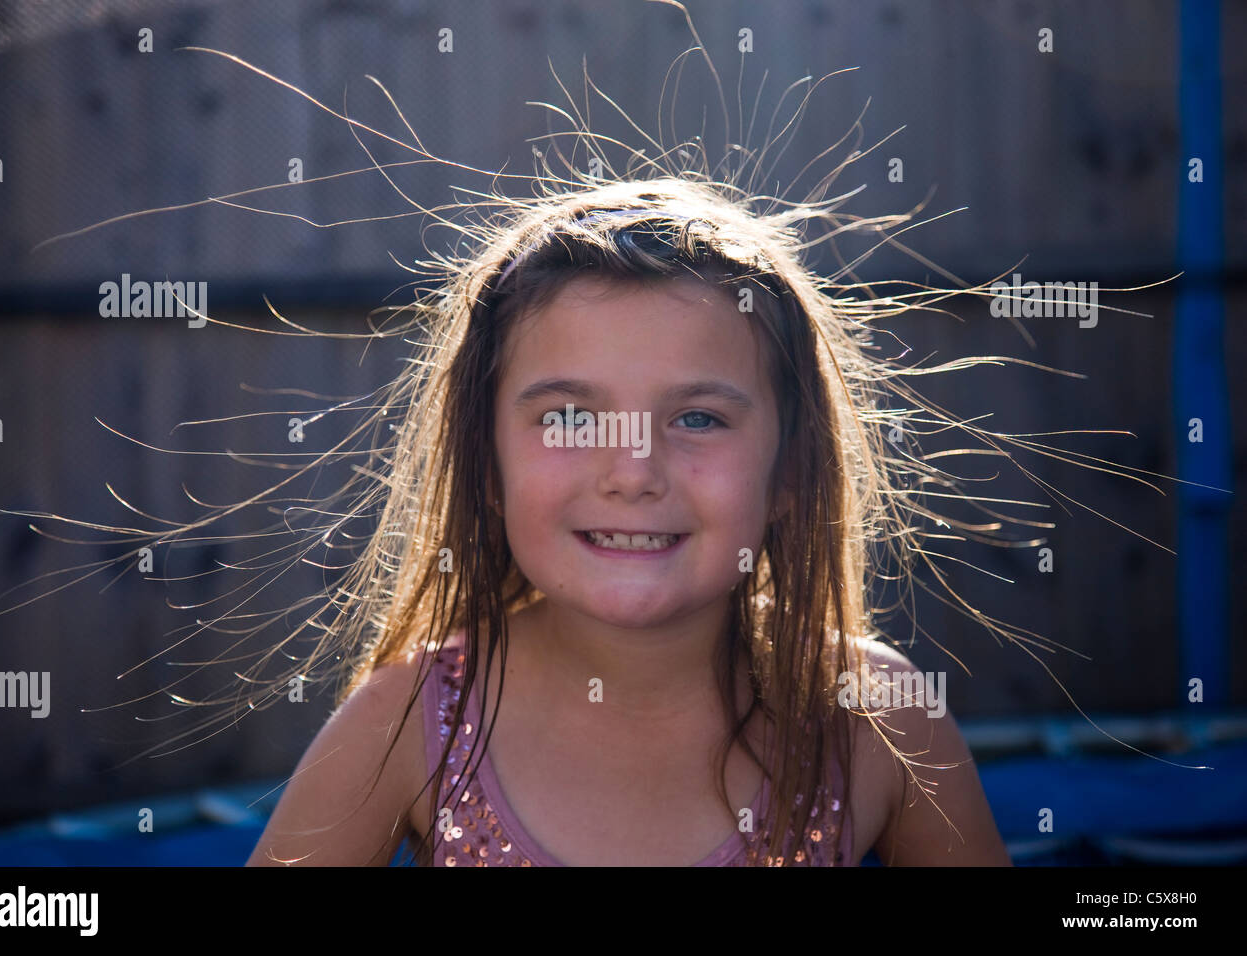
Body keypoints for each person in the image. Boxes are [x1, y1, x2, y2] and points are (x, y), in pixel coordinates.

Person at [243, 179, 1012, 867]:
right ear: (487, 465)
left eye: (700, 419)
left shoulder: (876, 716)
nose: (634, 472)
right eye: (572, 418)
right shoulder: (408, 724)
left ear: (790, 472)